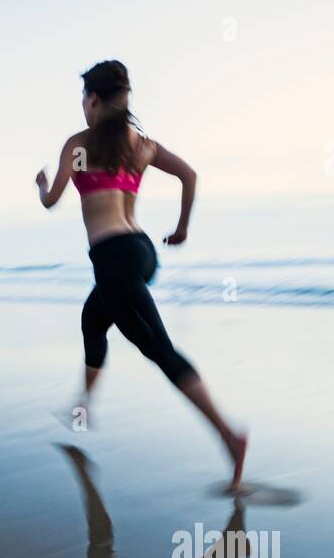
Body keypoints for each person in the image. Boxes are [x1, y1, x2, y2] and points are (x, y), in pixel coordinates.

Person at [35, 60, 247, 491]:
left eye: (84, 98)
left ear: (92, 99)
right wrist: (183, 227)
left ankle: (229, 435)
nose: (82, 105)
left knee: (160, 350)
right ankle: (83, 407)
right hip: (140, 252)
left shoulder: (78, 145)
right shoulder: (141, 144)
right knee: (93, 320)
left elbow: (51, 200)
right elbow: (189, 175)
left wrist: (41, 184)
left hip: (114, 257)